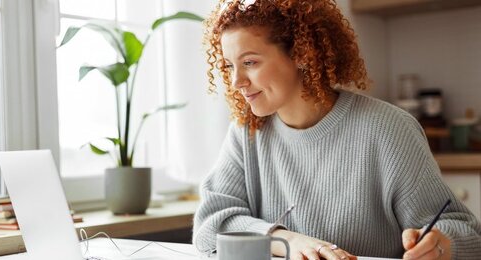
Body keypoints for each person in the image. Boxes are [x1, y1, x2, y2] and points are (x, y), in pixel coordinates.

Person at [192, 0, 481, 259]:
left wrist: (440, 244)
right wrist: (288, 240)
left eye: (250, 62)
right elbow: (211, 225)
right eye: (229, 66)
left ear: (302, 54)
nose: (236, 82)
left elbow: (463, 230)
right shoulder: (247, 132)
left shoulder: (389, 129)